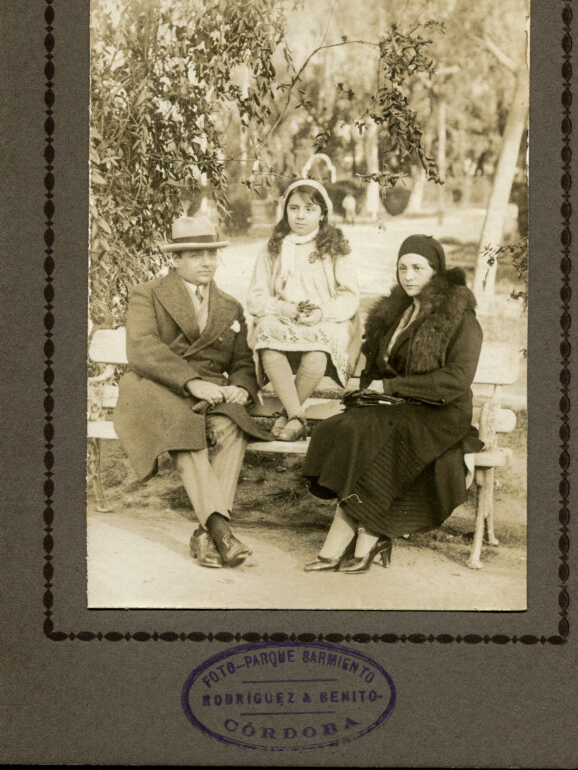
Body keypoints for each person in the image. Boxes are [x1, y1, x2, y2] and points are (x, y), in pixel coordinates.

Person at [302, 234, 484, 574]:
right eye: (402, 268)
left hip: (441, 411)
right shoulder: (398, 311)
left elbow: (458, 378)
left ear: (436, 271)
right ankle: (366, 531)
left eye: (418, 268)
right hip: (400, 405)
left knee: (367, 434)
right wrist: (369, 390)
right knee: (341, 428)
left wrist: (391, 387)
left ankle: (363, 535)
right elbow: (377, 362)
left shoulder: (459, 314)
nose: (408, 276)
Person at [113, 202, 273, 570]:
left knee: (231, 424)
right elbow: (142, 349)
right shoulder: (147, 293)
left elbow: (243, 362)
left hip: (208, 396)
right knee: (183, 424)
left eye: (212, 254)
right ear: (175, 260)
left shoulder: (230, 306)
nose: (207, 262)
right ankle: (221, 530)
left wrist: (243, 387)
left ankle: (205, 534)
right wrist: (193, 381)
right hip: (155, 388)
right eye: (196, 255)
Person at [247, 179, 361, 442]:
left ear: (322, 213)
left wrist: (321, 313)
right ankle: (297, 417)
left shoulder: (334, 247)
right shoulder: (273, 247)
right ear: (285, 210)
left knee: (317, 354)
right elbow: (256, 297)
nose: (300, 216)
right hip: (285, 316)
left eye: (309, 209)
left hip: (325, 318)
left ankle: (286, 416)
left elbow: (349, 296)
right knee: (268, 341)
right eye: (294, 208)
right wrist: (284, 309)